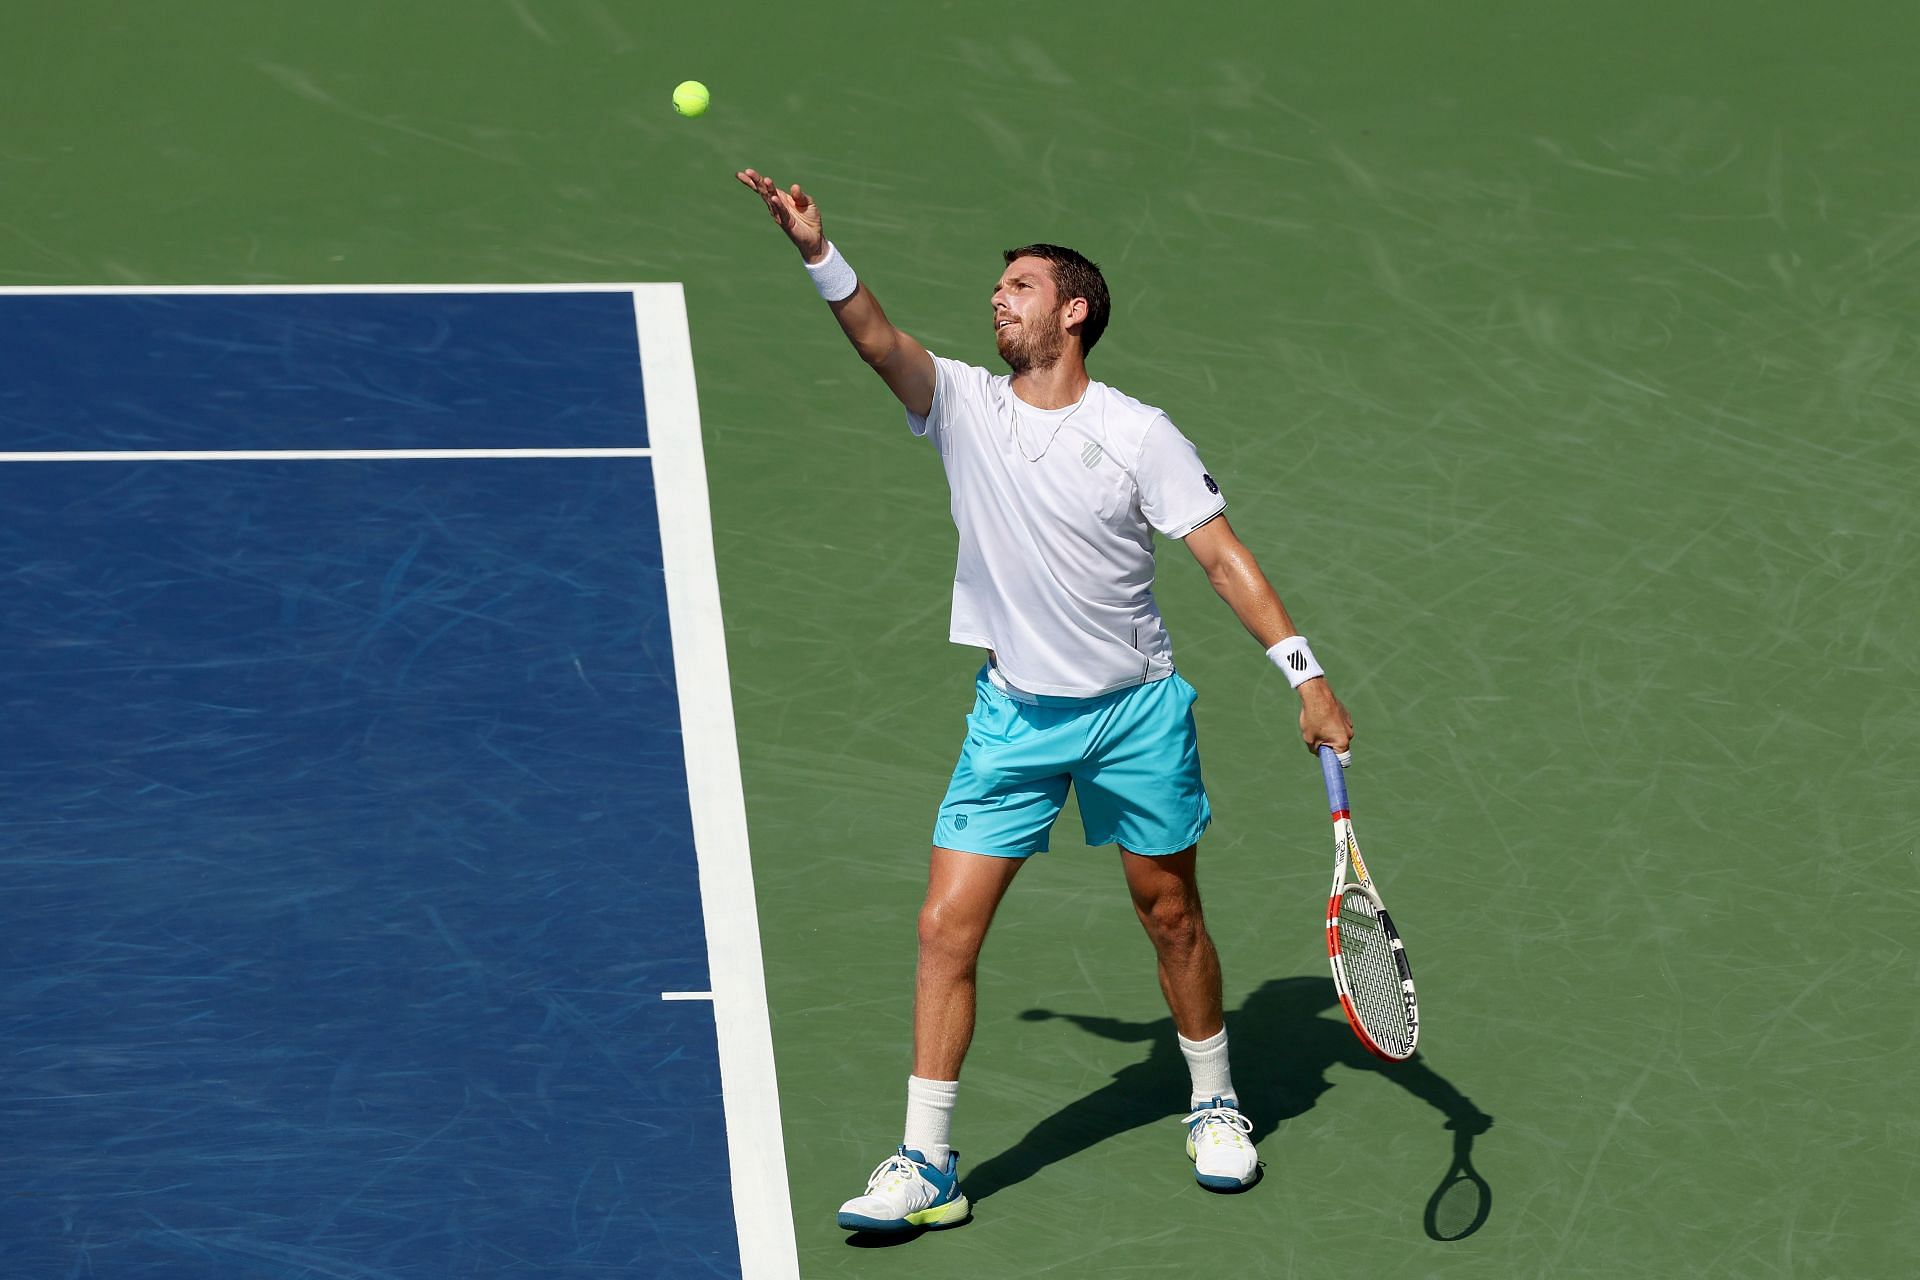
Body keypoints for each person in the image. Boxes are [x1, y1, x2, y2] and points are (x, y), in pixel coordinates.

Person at [736, 168, 1355, 1233]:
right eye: (996, 287)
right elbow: (879, 342)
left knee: (1170, 914)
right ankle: (926, 1161)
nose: (997, 298)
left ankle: (1214, 1098)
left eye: (1019, 285)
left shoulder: (1138, 432)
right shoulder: (963, 405)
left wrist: (1306, 673)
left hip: (1134, 713)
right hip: (1014, 715)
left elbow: (1220, 557)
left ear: (1073, 311)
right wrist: (814, 249)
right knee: (945, 926)